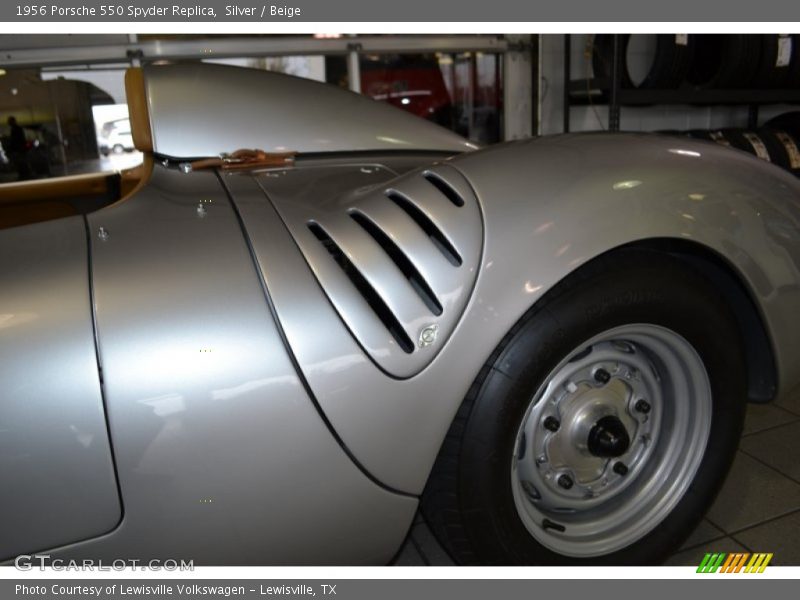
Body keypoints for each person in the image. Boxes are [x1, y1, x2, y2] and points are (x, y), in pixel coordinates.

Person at [7, 116, 31, 180]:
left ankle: (24, 175)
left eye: (9, 121)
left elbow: (19, 140)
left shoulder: (17, 129)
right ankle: (24, 175)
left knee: (21, 162)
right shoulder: (15, 129)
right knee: (20, 162)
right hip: (19, 149)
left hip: (20, 149)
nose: (9, 123)